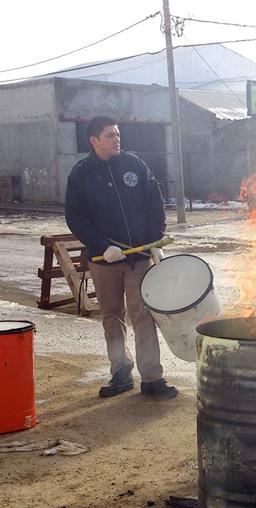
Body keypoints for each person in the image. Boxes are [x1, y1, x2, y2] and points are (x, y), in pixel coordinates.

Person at [65, 116, 178, 399]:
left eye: (117, 134)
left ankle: (152, 377)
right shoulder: (81, 174)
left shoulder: (134, 165)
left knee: (143, 314)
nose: (117, 139)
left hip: (138, 258)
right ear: (94, 141)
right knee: (112, 316)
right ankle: (120, 372)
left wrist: (154, 239)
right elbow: (75, 218)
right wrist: (101, 246)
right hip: (104, 261)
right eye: (109, 136)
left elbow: (155, 201)